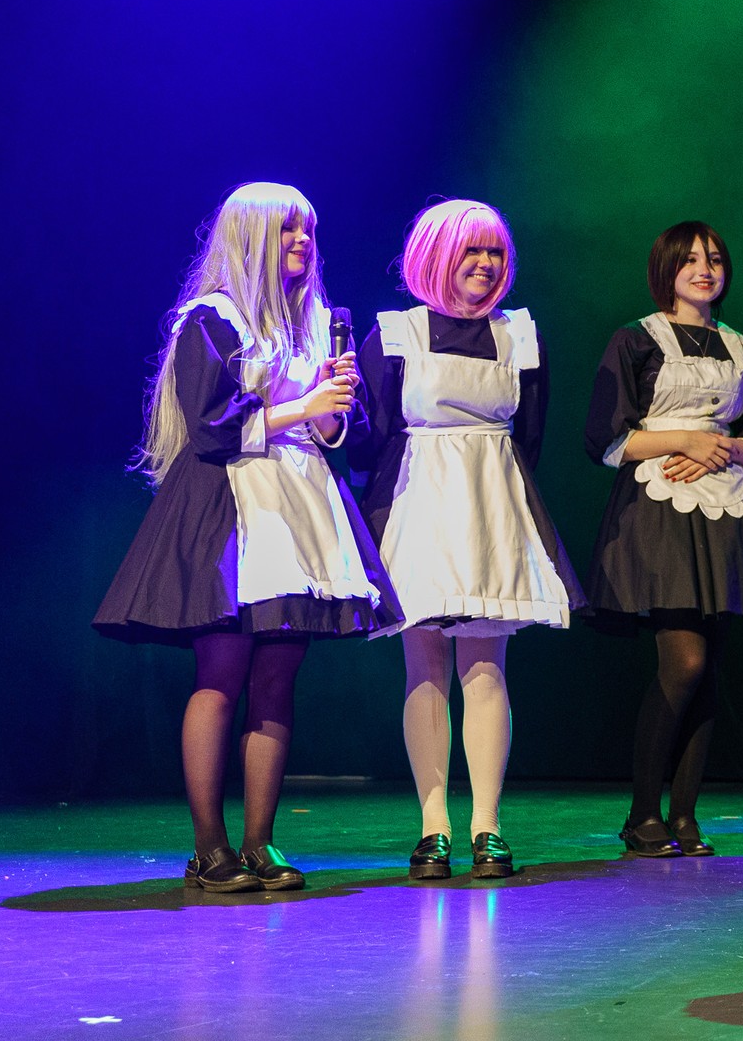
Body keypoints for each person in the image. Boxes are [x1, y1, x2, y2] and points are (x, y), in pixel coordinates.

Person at [95, 181, 396, 892]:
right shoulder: (212, 318)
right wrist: (304, 406)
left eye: (309, 231)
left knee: (277, 677)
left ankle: (261, 843)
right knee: (221, 673)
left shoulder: (317, 321)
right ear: (252, 238)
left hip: (298, 506)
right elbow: (212, 426)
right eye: (288, 230)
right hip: (229, 507)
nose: (303, 243)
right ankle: (210, 847)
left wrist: (331, 409)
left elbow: (337, 433)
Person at [349, 199, 585, 882]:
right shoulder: (395, 334)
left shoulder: (520, 336)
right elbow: (372, 439)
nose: (485, 264)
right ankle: (434, 829)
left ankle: (487, 826)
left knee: (486, 668)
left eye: (495, 252)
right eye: (471, 251)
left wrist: (502, 502)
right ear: (436, 257)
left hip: (490, 502)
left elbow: (530, 436)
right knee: (424, 665)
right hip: (417, 502)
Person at [584, 221, 743, 858]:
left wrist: (727, 449)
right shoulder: (635, 339)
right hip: (661, 509)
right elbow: (605, 438)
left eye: (715, 259)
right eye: (692, 260)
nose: (706, 269)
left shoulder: (742, 346)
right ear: (667, 269)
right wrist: (685, 440)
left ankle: (683, 817)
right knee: (684, 664)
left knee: (709, 674)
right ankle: (641, 815)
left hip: (728, 508)